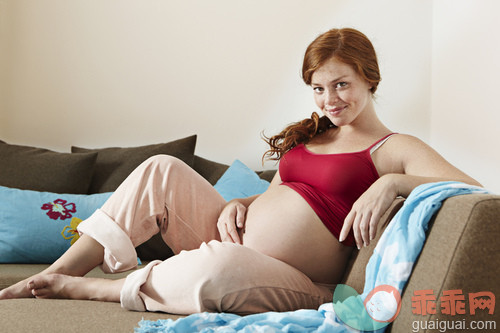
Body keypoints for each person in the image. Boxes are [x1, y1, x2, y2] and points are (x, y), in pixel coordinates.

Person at [0, 28, 481, 314]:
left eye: (341, 84)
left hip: (300, 280)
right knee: (160, 169)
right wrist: (240, 203)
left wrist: (393, 183)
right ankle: (53, 274)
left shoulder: (393, 149)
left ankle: (86, 289)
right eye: (317, 88)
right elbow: (286, 195)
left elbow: (472, 189)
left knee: (220, 268)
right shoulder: (312, 137)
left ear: (369, 80)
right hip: (236, 234)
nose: (330, 100)